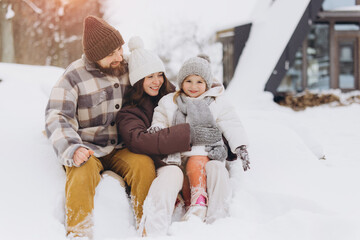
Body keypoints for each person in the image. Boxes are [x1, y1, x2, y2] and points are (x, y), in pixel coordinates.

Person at [45, 16, 157, 239]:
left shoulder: (128, 65)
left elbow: (158, 84)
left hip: (122, 146)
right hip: (87, 146)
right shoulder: (73, 76)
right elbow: (57, 116)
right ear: (94, 57)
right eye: (111, 54)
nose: (119, 57)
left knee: (144, 166)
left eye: (119, 49)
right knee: (80, 171)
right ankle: (79, 232)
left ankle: (148, 228)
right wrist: (72, 148)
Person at [115, 37, 224, 237]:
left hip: (196, 157)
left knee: (215, 168)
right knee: (172, 174)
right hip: (166, 162)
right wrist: (189, 133)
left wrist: (227, 144)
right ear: (138, 80)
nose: (157, 81)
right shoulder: (129, 112)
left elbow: (212, 111)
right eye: (150, 77)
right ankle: (153, 230)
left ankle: (215, 225)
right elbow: (139, 140)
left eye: (160, 75)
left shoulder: (177, 95)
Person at [146, 55, 251, 232]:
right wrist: (156, 128)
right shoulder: (169, 102)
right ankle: (191, 210)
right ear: (181, 82)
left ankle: (202, 205)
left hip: (206, 153)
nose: (193, 87)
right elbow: (160, 119)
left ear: (207, 84)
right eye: (188, 81)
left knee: (199, 164)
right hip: (177, 154)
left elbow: (231, 123)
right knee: (183, 180)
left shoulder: (217, 102)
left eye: (199, 82)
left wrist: (240, 146)